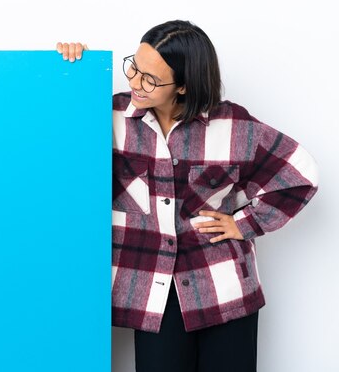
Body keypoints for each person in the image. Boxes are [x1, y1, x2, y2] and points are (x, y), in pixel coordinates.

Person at [57, 20, 319, 372]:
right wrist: (72, 70)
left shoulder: (234, 126)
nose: (134, 82)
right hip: (152, 292)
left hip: (225, 290)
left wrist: (245, 224)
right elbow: (50, 132)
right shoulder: (108, 116)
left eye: (149, 78)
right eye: (134, 66)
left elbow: (299, 174)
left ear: (183, 86)